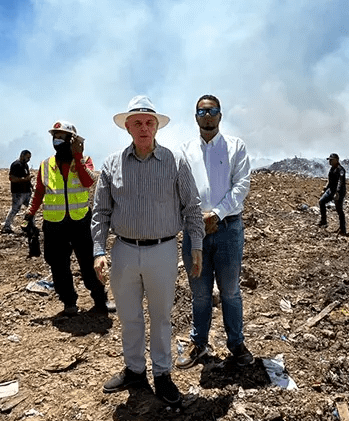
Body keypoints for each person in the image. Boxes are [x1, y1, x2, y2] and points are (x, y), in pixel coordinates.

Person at [92, 95, 204, 405]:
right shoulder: (112, 164)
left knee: (161, 317)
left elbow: (192, 206)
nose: (144, 128)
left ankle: (163, 374)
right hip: (124, 251)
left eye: (149, 122)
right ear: (127, 127)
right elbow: (100, 212)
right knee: (129, 316)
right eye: (137, 123)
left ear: (156, 127)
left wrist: (197, 244)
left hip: (162, 250)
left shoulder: (175, 161)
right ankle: (135, 370)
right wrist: (99, 251)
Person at [176, 94, 254, 369]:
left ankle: (236, 344)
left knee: (230, 291)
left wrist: (217, 214)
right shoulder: (185, 151)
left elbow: (241, 185)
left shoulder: (235, 147)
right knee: (200, 292)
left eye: (212, 111)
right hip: (195, 231)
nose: (207, 116)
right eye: (202, 112)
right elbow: (181, 188)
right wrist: (197, 219)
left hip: (227, 229)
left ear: (220, 115)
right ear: (195, 116)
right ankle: (199, 343)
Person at [25, 121, 114, 314]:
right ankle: (69, 302)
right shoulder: (46, 165)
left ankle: (100, 300)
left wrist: (78, 156)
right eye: (55, 136)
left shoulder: (84, 161)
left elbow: (88, 181)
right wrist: (30, 212)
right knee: (58, 265)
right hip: (54, 224)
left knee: (89, 262)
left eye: (61, 136)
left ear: (72, 140)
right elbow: (39, 191)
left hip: (80, 221)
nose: (57, 140)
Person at [1, 150, 32, 234]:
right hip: (18, 191)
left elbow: (27, 177)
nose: (28, 159)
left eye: (29, 158)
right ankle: (7, 226)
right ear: (22, 155)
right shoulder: (16, 165)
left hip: (27, 191)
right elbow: (12, 178)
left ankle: (29, 225)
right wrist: (23, 179)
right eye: (27, 157)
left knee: (31, 209)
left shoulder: (25, 165)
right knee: (15, 209)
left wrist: (30, 185)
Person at [318, 153, 347, 234]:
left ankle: (343, 229)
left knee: (339, 209)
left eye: (331, 160)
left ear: (336, 160)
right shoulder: (332, 169)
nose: (330, 161)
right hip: (331, 190)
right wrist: (325, 188)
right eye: (329, 160)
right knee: (321, 202)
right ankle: (323, 221)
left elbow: (341, 182)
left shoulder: (341, 170)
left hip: (339, 191)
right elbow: (330, 180)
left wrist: (337, 193)